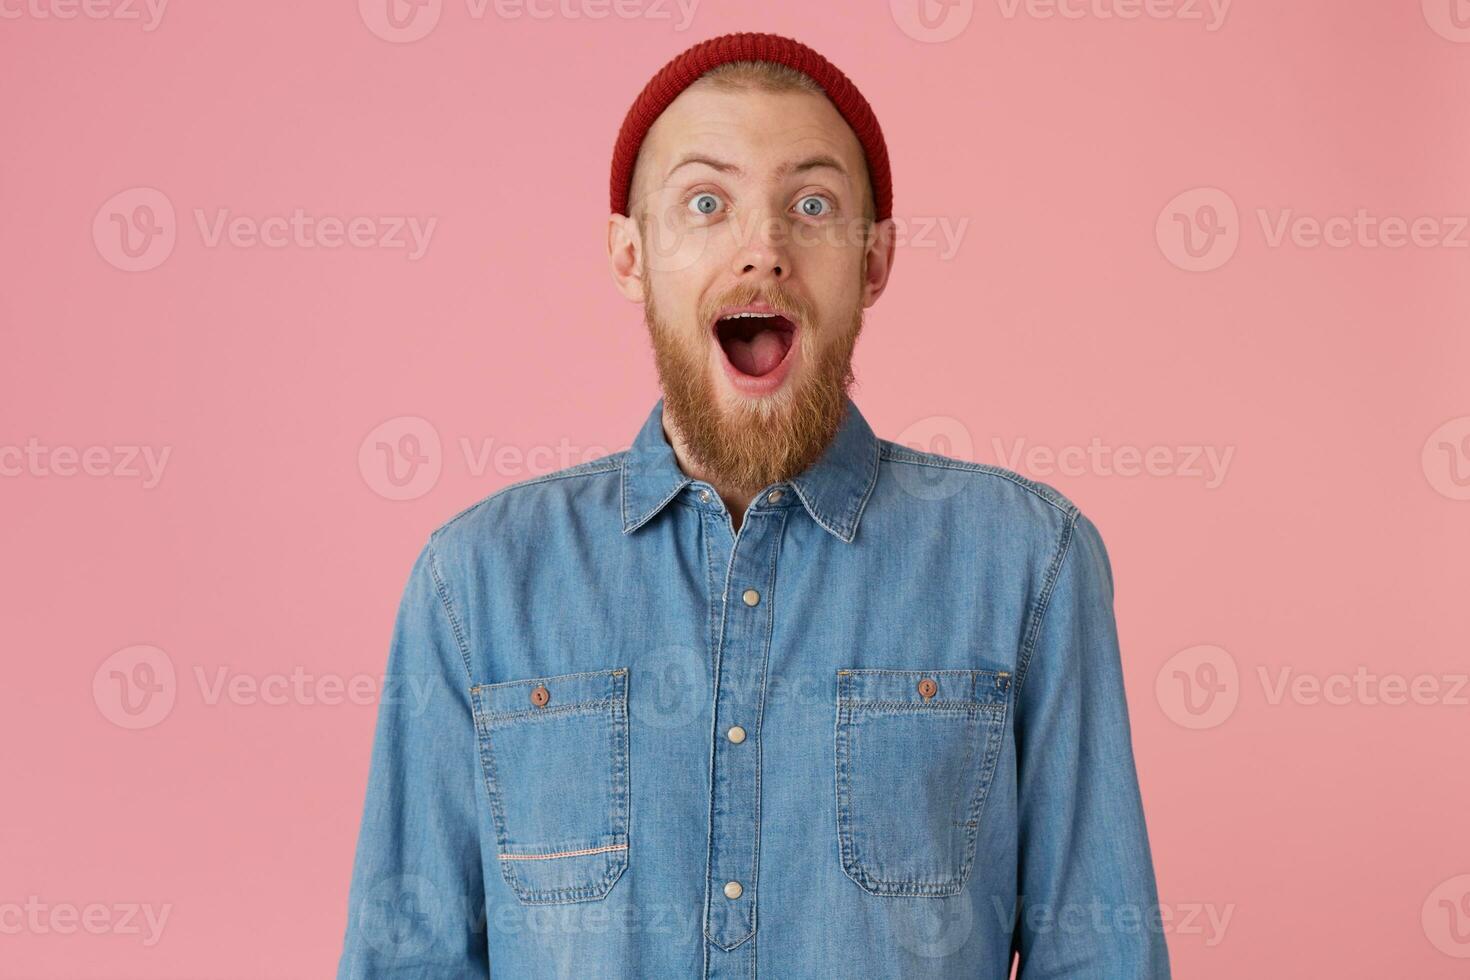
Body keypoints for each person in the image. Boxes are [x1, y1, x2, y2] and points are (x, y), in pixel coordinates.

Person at [336, 30, 1170, 979]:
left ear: (874, 262)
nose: (763, 250)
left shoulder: (1031, 564)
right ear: (630, 257)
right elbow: (408, 962)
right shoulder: (473, 584)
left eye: (811, 205)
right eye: (705, 202)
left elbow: (1101, 957)